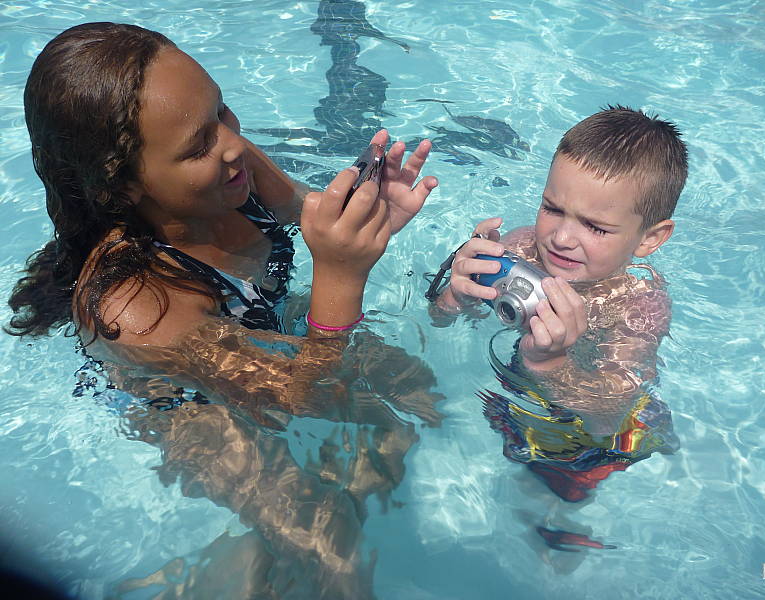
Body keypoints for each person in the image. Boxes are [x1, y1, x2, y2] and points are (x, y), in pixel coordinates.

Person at [7, 22, 441, 597]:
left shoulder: (230, 168)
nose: (232, 143)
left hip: (258, 330)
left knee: (410, 395)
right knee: (330, 541)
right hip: (183, 399)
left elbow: (305, 214)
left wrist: (366, 219)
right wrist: (342, 275)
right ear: (122, 188)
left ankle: (267, 558)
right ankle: (228, 577)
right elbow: (304, 398)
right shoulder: (136, 309)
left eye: (220, 110)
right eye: (198, 146)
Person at [431, 106, 686, 503]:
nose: (561, 239)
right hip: (521, 394)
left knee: (557, 496)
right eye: (552, 208)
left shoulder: (638, 305)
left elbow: (607, 416)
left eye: (595, 226)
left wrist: (549, 364)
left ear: (649, 238)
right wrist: (456, 295)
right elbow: (438, 321)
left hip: (592, 435)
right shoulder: (521, 248)